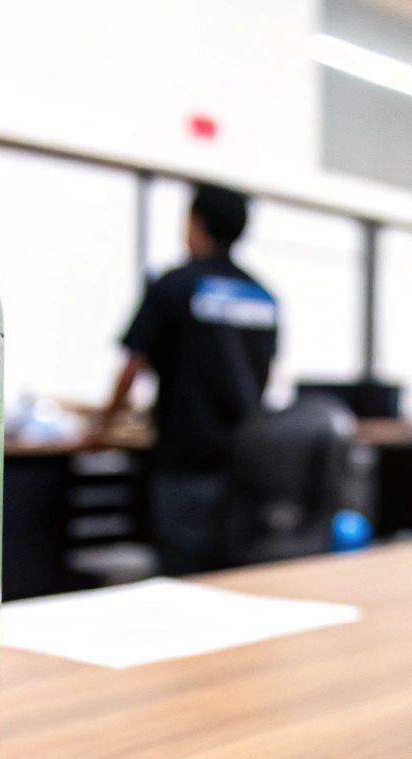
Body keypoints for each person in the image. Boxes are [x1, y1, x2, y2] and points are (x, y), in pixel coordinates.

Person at [90, 184, 279, 575]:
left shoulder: (174, 285)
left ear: (197, 223)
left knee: (183, 572)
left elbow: (134, 365)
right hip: (246, 460)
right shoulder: (263, 297)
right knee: (232, 571)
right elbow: (269, 372)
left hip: (185, 460)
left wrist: (102, 427)